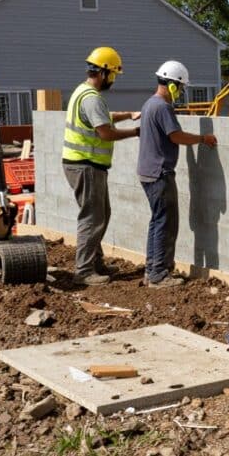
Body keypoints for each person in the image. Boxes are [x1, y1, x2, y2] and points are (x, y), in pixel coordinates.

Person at [62, 47, 141, 286]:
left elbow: (102, 116)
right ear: (103, 72)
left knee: (101, 215)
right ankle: (84, 271)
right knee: (92, 218)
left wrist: (127, 114)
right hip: (85, 165)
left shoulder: (83, 92)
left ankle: (95, 263)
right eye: (113, 75)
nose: (113, 81)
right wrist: (137, 132)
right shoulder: (92, 98)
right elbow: (105, 132)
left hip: (84, 164)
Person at [137, 60, 218, 288]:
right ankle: (159, 275)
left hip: (148, 172)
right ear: (173, 85)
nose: (180, 92)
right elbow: (176, 136)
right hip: (159, 174)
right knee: (165, 223)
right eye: (180, 87)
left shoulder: (148, 104)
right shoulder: (162, 107)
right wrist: (203, 139)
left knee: (157, 222)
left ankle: (152, 269)